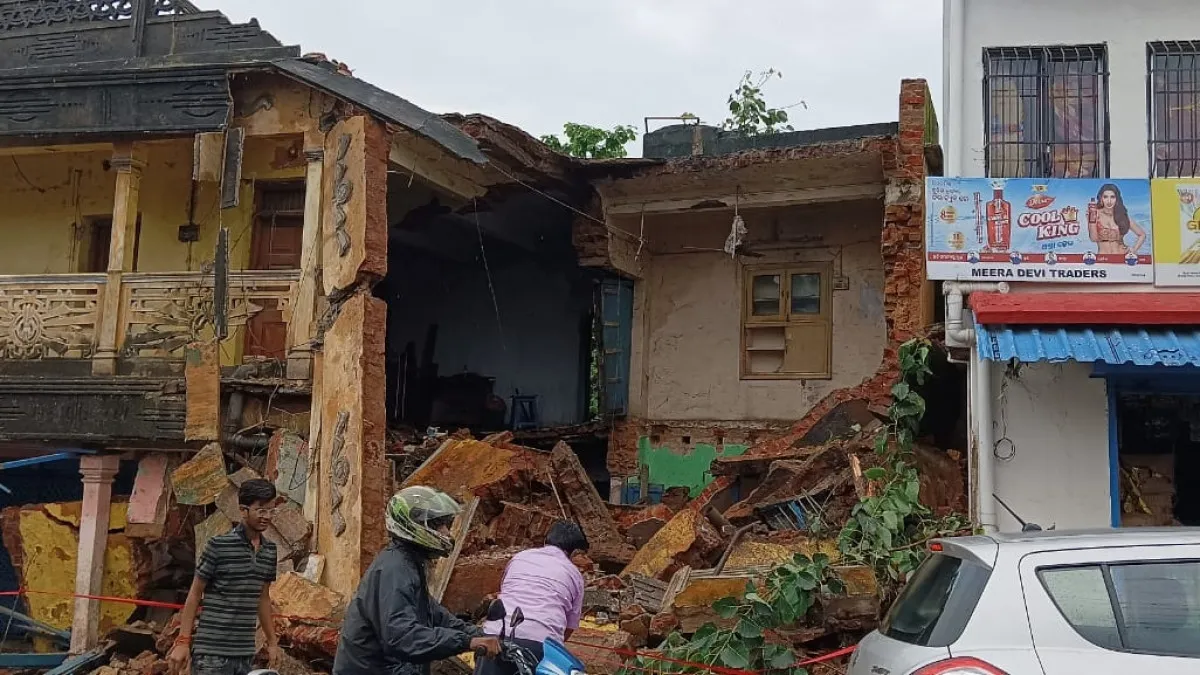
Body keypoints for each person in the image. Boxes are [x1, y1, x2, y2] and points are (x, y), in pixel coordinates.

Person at [334, 486, 501, 675]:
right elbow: (402, 636)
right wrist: (466, 642)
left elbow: (435, 615)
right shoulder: (395, 569)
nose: (446, 532)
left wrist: (477, 634)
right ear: (413, 525)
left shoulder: (408, 563)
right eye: (438, 525)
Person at [167, 479, 280, 675]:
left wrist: (272, 642)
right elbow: (195, 594)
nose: (267, 516)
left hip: (245, 653)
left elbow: (262, 598)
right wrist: (183, 641)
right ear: (243, 510)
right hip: (212, 654)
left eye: (271, 510)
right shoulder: (218, 546)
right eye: (261, 510)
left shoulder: (269, 551)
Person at [474, 521, 589, 675]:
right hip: (541, 645)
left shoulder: (520, 558)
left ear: (545, 541)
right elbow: (569, 627)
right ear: (574, 552)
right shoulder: (574, 575)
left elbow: (505, 593)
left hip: (495, 636)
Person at [1088, 183, 1147, 256]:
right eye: (1105, 197)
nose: (1109, 201)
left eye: (1112, 197)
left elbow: (1142, 235)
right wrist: (1092, 221)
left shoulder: (1122, 215)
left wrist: (1134, 249)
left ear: (1117, 199)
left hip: (1122, 257)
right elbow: (1093, 238)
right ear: (1101, 198)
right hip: (1103, 258)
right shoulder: (1095, 214)